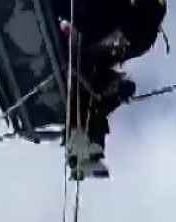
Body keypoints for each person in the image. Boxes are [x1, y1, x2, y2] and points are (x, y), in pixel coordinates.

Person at [55, 0, 167, 177]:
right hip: (90, 31)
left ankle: (84, 144)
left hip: (99, 32)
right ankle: (82, 142)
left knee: (95, 79)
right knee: (92, 77)